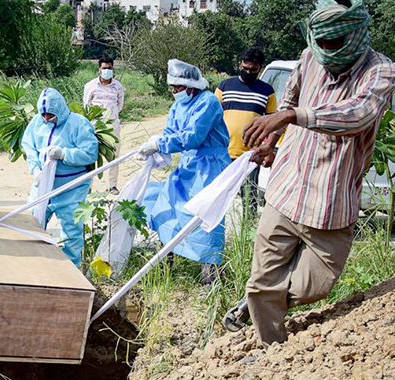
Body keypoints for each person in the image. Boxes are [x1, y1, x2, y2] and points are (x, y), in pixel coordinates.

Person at [223, 0, 395, 345]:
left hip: (332, 202)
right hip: (287, 190)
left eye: (336, 45)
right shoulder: (308, 57)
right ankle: (272, 351)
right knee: (261, 283)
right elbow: (287, 103)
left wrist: (292, 118)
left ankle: (260, 305)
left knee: (315, 286)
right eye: (323, 44)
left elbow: (357, 114)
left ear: (356, 36)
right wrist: (271, 142)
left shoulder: (381, 71)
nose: (328, 53)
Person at [139, 59, 230, 284]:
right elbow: (171, 131)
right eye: (172, 88)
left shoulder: (208, 102)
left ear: (191, 86)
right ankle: (165, 267)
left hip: (211, 167)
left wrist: (162, 143)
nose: (174, 92)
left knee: (205, 219)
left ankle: (211, 279)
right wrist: (158, 147)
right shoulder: (177, 105)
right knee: (168, 207)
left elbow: (193, 136)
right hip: (189, 165)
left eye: (177, 88)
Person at [21, 88, 99, 267]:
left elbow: (90, 153)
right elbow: (29, 146)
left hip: (71, 187)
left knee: (71, 231)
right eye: (44, 115)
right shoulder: (36, 123)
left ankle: (71, 270)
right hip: (43, 186)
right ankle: (33, 265)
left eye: (50, 115)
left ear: (60, 110)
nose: (47, 119)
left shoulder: (78, 123)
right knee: (31, 223)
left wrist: (64, 154)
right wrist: (35, 170)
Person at [215, 47, 277, 216]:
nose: (249, 72)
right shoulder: (224, 86)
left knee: (249, 198)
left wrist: (268, 148)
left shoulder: (267, 91)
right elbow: (211, 117)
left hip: (250, 154)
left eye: (253, 70)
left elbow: (273, 123)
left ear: (260, 69)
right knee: (216, 195)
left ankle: (247, 232)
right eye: (246, 68)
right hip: (222, 152)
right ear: (239, 65)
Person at [83, 55, 125, 194]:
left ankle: (112, 185)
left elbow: (120, 106)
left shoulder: (118, 86)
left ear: (113, 69)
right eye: (104, 68)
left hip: (112, 127)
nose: (107, 70)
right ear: (99, 70)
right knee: (91, 156)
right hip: (95, 127)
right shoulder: (90, 86)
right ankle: (88, 186)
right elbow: (86, 106)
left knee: (114, 156)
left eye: (109, 68)